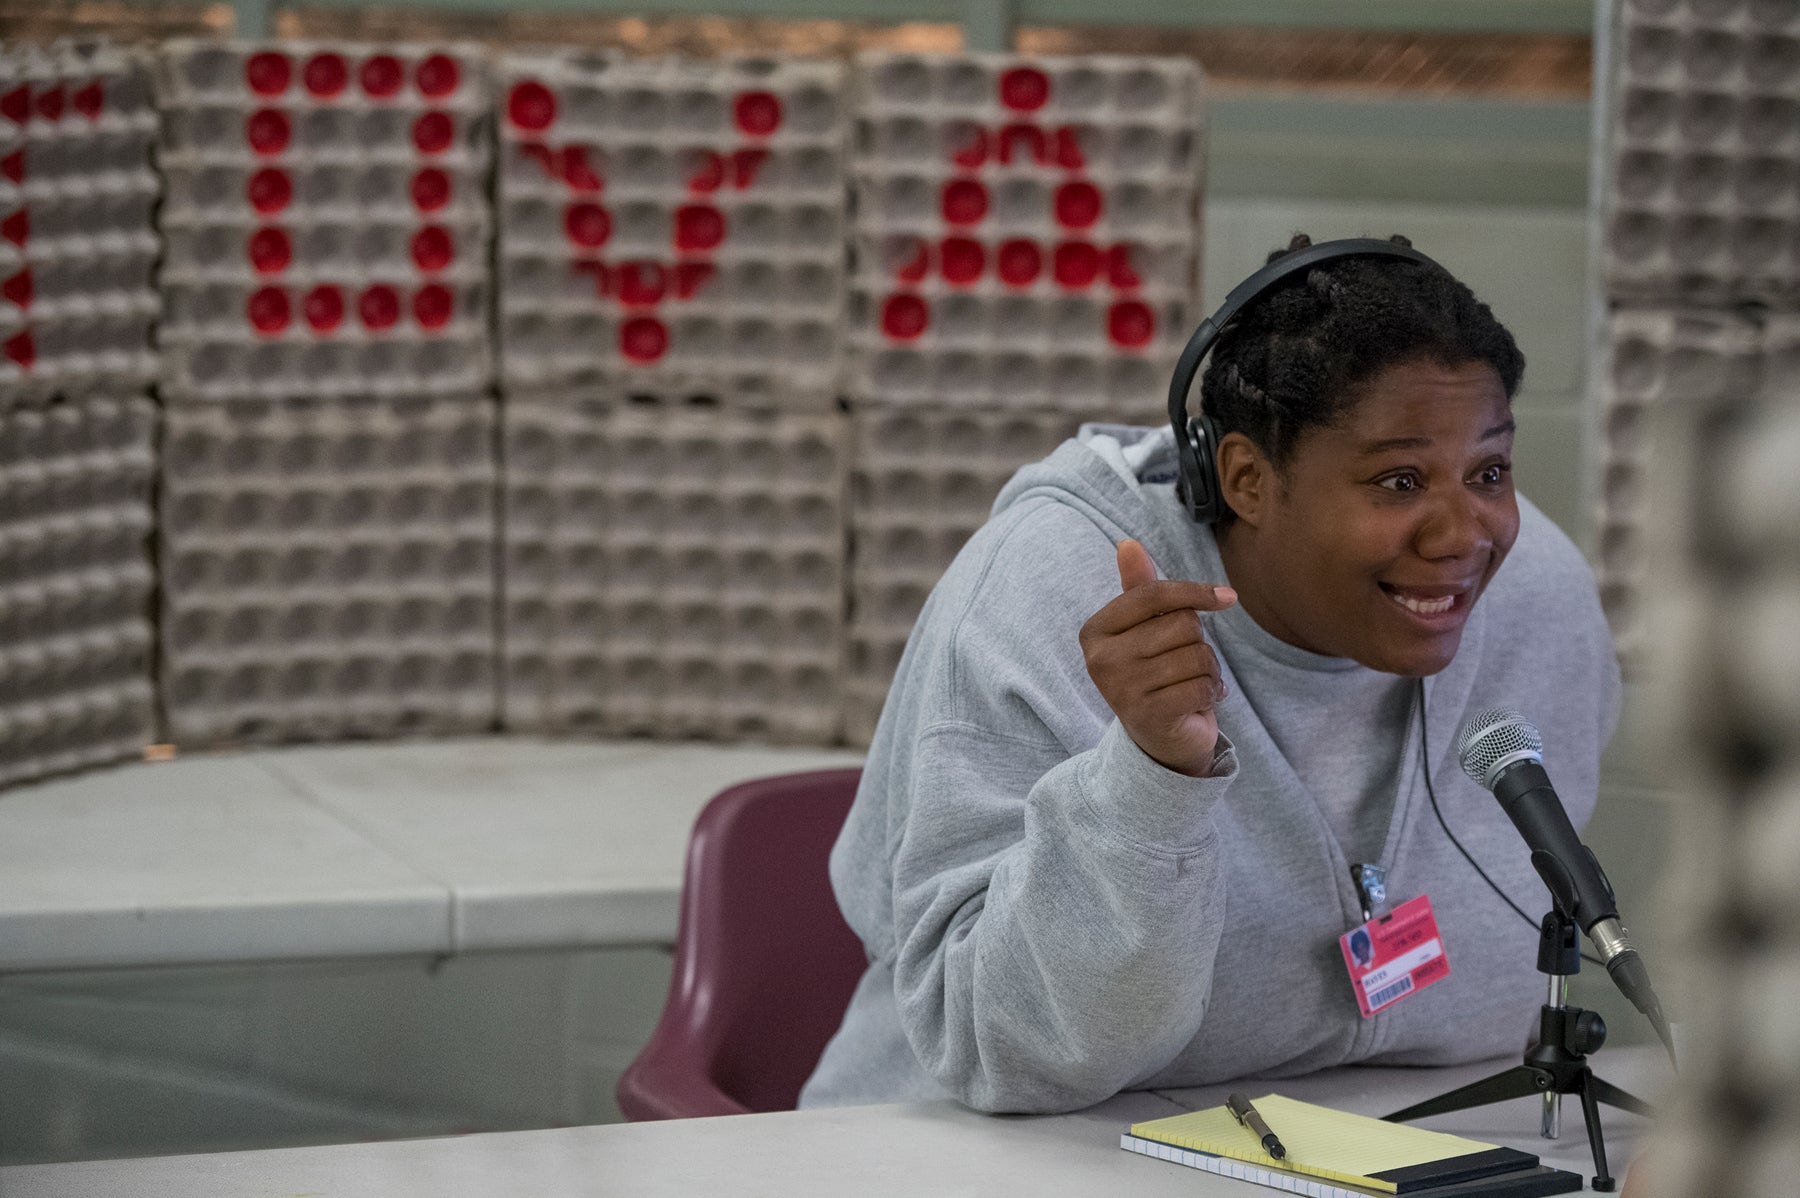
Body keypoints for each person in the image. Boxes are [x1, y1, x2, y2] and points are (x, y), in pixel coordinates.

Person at [800, 234, 1622, 1113]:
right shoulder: (1048, 590)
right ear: (1245, 480)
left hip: (1371, 1152)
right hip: (970, 1154)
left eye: (1488, 470)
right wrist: (1151, 782)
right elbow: (1008, 1051)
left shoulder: (1539, 597)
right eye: (1398, 480)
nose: (1463, 534)